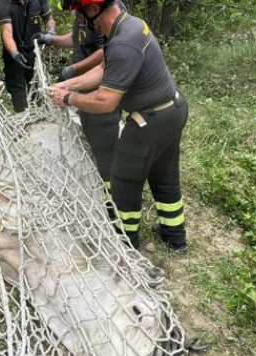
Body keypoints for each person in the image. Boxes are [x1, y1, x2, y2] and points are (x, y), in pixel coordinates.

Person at [49, 0, 189, 253]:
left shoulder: (122, 43)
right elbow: (104, 69)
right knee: (164, 175)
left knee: (123, 180)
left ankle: (125, 245)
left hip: (149, 121)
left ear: (93, 10)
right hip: (172, 110)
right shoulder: (130, 27)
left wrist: (68, 99)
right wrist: (68, 85)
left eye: (81, 16)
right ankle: (175, 237)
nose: (83, 24)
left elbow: (105, 101)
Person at [34, 0, 123, 219]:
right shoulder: (84, 11)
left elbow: (105, 52)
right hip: (81, 85)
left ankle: (113, 203)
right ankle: (93, 184)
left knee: (104, 146)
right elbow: (76, 39)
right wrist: (51, 39)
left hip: (98, 87)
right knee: (87, 136)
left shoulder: (106, 11)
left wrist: (73, 71)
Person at [0, 0, 55, 112]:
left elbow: (49, 19)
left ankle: (41, 119)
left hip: (35, 52)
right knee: (18, 95)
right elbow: (6, 32)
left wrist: (51, 33)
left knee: (39, 92)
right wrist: (15, 53)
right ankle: (22, 123)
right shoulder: (4, 3)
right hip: (13, 55)